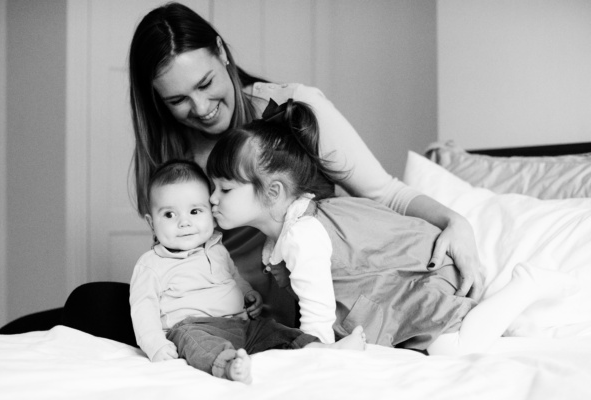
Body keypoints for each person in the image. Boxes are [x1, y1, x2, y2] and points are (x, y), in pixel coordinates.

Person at [125, 2, 483, 328]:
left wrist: (456, 222)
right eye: (178, 100)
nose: (201, 108)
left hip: (306, 306)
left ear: (221, 52)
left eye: (205, 83)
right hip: (222, 310)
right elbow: (174, 252)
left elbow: (384, 192)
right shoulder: (171, 157)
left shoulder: (293, 109)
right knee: (88, 303)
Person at [205, 99, 576, 353]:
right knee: (441, 346)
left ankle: (528, 285)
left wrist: (307, 354)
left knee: (449, 350)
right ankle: (505, 321)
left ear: (272, 191)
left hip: (420, 277)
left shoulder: (303, 236)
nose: (212, 200)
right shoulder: (288, 233)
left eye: (224, 188)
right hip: (393, 288)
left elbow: (316, 322)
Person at [130, 159, 366, 384]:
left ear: (211, 215)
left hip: (239, 324)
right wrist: (155, 345)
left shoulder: (217, 249)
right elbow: (143, 308)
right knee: (196, 342)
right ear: (152, 223)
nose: (184, 222)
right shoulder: (152, 264)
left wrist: (248, 293)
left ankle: (322, 349)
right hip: (190, 326)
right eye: (170, 214)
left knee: (273, 330)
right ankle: (229, 366)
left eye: (195, 211)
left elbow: (233, 277)